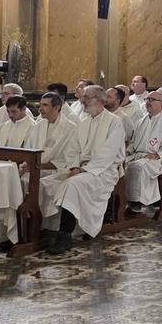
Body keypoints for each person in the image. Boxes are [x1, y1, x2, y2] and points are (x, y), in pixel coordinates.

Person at [40, 85, 126, 255]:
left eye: (87, 97)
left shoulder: (114, 122)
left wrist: (84, 169)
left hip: (102, 171)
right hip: (79, 168)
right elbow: (73, 150)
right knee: (45, 183)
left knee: (72, 185)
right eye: (83, 97)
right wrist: (74, 166)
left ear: (99, 100)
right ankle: (45, 227)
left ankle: (65, 234)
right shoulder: (84, 123)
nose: (82, 100)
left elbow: (108, 153)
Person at [123, 88, 162, 212]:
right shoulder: (141, 121)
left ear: (160, 103)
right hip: (138, 156)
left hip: (158, 158)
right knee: (120, 165)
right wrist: (127, 151)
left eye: (152, 100)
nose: (148, 102)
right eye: (147, 99)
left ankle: (137, 202)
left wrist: (159, 155)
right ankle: (123, 200)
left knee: (138, 168)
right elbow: (133, 142)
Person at [27, 92, 77, 172]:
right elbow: (29, 148)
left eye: (45, 105)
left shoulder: (70, 128)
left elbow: (66, 159)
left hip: (55, 171)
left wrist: (38, 166)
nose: (40, 109)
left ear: (56, 108)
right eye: (40, 105)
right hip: (34, 167)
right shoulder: (38, 125)